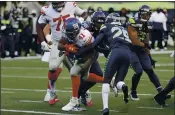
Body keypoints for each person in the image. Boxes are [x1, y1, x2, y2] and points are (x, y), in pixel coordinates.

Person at [36, 1, 87, 105]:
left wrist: (80, 20)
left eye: (60, 3)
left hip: (73, 42)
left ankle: (83, 94)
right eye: (56, 3)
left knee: (78, 71)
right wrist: (42, 41)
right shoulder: (47, 10)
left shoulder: (70, 4)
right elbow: (39, 25)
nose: (59, 6)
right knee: (53, 67)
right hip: (57, 44)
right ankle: (51, 92)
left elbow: (84, 13)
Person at [59, 18, 104, 111]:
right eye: (67, 33)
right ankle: (108, 81)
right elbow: (59, 45)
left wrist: (85, 65)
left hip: (87, 57)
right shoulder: (66, 31)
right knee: (82, 76)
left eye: (71, 33)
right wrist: (67, 47)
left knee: (76, 73)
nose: (68, 35)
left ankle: (75, 101)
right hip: (75, 56)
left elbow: (93, 53)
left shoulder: (85, 36)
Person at [128, 5, 170, 101]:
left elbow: (146, 40)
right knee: (138, 71)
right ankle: (133, 91)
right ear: (142, 13)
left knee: (149, 70)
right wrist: (145, 45)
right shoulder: (133, 22)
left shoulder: (148, 23)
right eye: (148, 13)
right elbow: (134, 40)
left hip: (141, 50)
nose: (149, 15)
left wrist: (149, 56)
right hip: (131, 49)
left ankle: (161, 92)